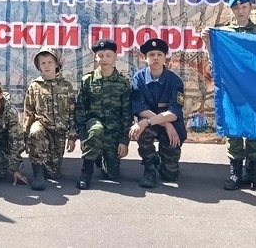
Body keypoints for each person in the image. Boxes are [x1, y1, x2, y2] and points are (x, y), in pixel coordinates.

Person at [218, 0, 256, 191]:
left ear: (250, 8)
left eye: (244, 7)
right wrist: (207, 40)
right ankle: (235, 174)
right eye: (236, 7)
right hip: (233, 90)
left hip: (254, 90)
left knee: (255, 131)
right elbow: (216, 60)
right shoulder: (224, 34)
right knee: (234, 131)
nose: (240, 11)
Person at [73, 38, 131, 190]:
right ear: (95, 56)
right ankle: (86, 171)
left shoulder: (123, 82)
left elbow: (127, 113)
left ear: (115, 56)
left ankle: (100, 155)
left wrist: (124, 141)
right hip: (94, 125)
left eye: (108, 55)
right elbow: (80, 109)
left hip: (113, 131)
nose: (104, 59)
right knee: (97, 130)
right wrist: (83, 135)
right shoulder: (88, 80)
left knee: (112, 174)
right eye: (101, 55)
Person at [129, 37, 185, 189]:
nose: (155, 58)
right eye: (151, 54)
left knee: (170, 176)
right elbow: (139, 108)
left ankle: (165, 164)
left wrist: (164, 123)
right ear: (145, 58)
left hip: (171, 126)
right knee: (142, 130)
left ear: (165, 57)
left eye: (159, 54)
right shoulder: (138, 78)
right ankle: (149, 168)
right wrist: (164, 123)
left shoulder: (175, 81)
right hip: (156, 124)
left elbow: (174, 113)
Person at [22, 46, 76, 190]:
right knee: (36, 132)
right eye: (43, 63)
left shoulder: (66, 86)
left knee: (53, 173)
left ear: (57, 64)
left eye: (49, 62)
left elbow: (72, 112)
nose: (46, 66)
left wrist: (71, 136)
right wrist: (26, 137)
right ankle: (37, 174)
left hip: (59, 131)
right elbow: (29, 112)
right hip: (42, 127)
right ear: (38, 66)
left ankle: (48, 167)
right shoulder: (35, 86)